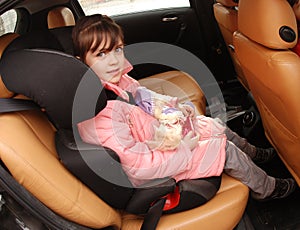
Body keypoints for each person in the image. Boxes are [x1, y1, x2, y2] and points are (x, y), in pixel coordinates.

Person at [73, 14, 297, 200]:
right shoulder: (102, 114)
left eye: (117, 50)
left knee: (215, 126)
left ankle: (256, 154)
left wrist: (178, 107)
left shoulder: (121, 82)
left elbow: (149, 101)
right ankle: (267, 189)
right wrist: (185, 149)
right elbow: (138, 169)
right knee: (223, 149)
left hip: (162, 140)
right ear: (81, 62)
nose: (113, 61)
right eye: (101, 54)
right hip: (159, 169)